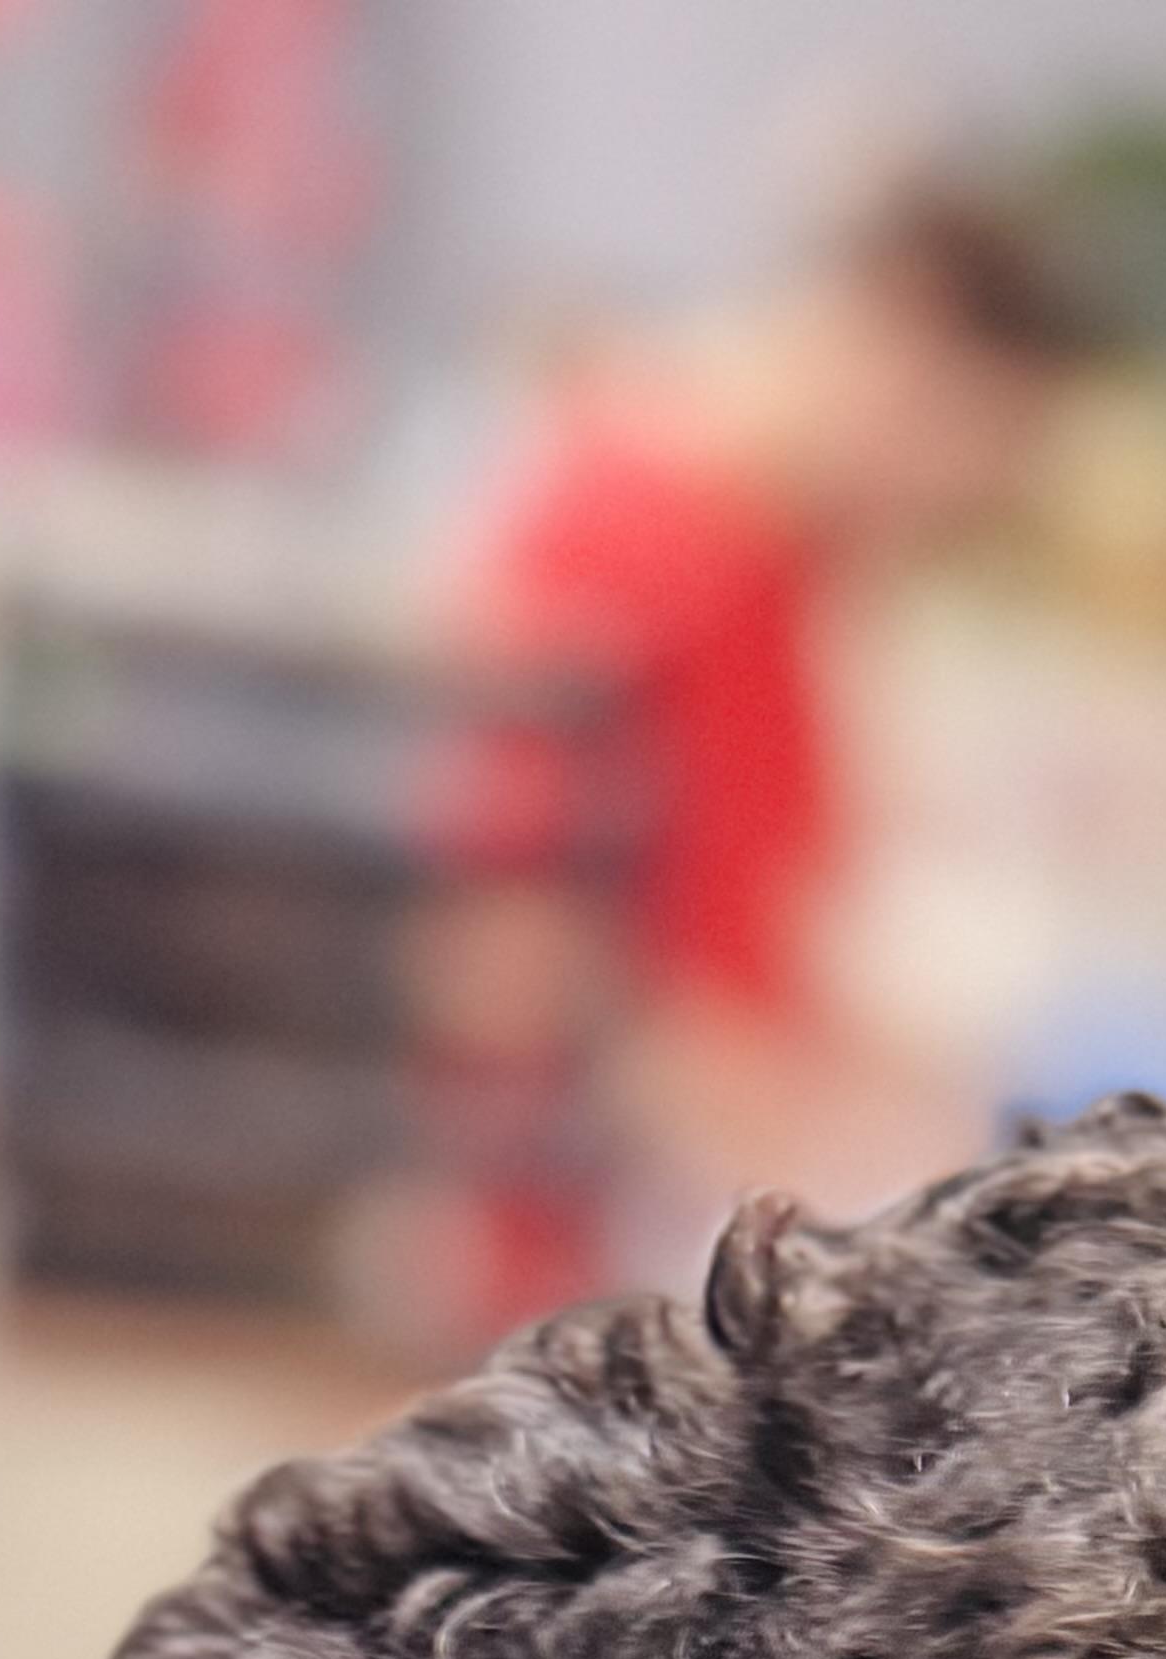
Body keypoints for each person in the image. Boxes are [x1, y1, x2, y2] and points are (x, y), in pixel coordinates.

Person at [448, 174, 1114, 1267]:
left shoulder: (776, 571)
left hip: (679, 1200)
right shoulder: (628, 545)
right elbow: (525, 968)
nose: (952, 511)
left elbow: (748, 939)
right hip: (565, 1251)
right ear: (903, 341)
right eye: (970, 450)